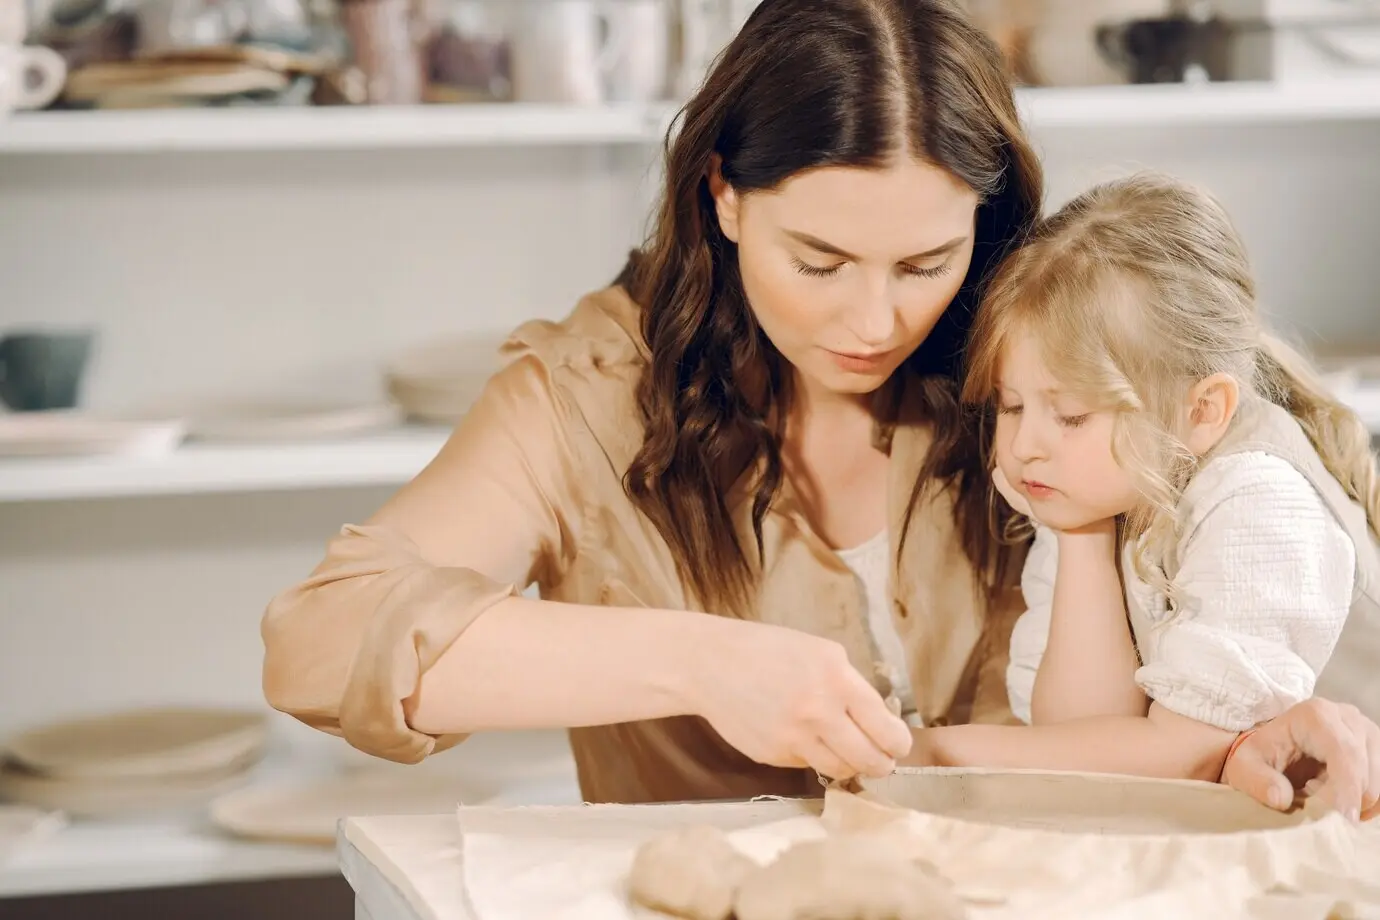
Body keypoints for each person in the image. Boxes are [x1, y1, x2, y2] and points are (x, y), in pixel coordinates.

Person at [260, 0, 1380, 814]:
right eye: (822, 257)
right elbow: (315, 644)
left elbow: (1203, 642)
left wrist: (1268, 737)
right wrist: (695, 660)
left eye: (926, 260)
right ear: (726, 198)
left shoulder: (1039, 372)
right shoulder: (588, 396)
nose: (876, 319)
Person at [902, 172, 1380, 820]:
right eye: (1012, 406)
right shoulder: (1099, 489)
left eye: (1070, 415)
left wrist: (933, 752)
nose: (1025, 446)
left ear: (1202, 410)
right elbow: (1085, 733)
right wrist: (1079, 539)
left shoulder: (1259, 502)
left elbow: (1181, 754)